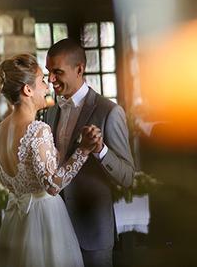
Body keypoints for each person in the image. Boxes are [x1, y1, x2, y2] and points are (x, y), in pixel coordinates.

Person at [0, 54, 102, 267]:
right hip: (44, 220)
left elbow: (7, 182)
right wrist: (84, 150)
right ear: (27, 90)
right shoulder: (38, 129)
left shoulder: (0, 130)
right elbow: (52, 186)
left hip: (16, 221)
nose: (48, 84)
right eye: (41, 80)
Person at [44, 38, 135, 267]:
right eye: (48, 72)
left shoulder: (110, 112)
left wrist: (101, 150)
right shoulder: (52, 112)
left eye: (57, 72)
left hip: (93, 231)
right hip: (58, 227)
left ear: (79, 69)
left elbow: (127, 176)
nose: (51, 80)